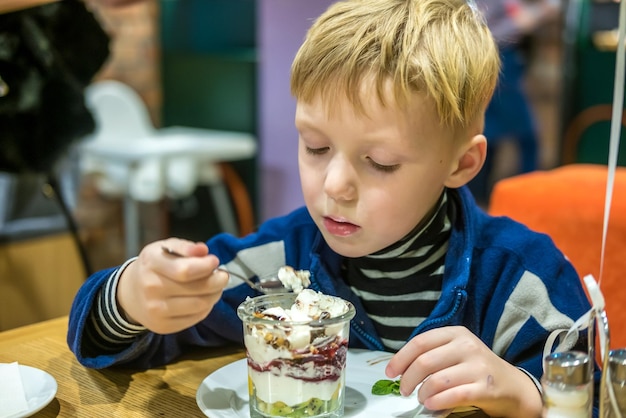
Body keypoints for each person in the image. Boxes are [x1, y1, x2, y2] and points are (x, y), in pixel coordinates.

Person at [67, 0, 598, 416]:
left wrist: (526, 394)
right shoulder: (274, 267)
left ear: (461, 164)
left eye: (381, 161)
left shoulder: (520, 279)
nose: (335, 185)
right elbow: (102, 336)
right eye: (315, 147)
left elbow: (597, 399)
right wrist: (135, 296)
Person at [468, 0, 561, 206]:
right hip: (498, 63)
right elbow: (482, 31)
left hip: (504, 63)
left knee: (489, 137)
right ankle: (528, 198)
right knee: (527, 137)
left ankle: (479, 201)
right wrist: (526, 20)